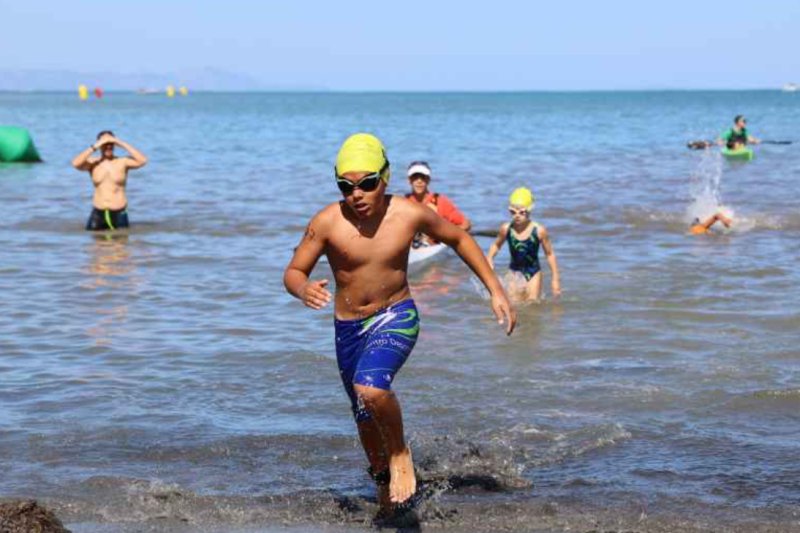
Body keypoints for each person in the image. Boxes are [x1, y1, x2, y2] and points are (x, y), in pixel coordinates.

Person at [283, 134, 515, 516]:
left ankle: (400, 452)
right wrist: (302, 288)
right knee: (363, 415)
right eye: (346, 186)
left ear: (386, 177)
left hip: (396, 315)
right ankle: (384, 491)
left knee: (370, 387)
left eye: (367, 183)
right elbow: (293, 270)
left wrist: (496, 290)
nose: (357, 194)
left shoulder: (408, 214)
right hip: (348, 330)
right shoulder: (326, 222)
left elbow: (459, 238)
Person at [486, 187, 561, 302]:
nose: (517, 215)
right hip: (514, 272)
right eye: (513, 212)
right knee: (513, 303)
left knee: (532, 305)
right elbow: (496, 245)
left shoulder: (539, 230)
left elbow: (550, 254)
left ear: (529, 211)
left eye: (522, 212)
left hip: (534, 274)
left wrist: (555, 279)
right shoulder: (506, 229)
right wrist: (490, 258)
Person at [71, 131, 148, 231]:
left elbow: (143, 160)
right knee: (94, 240)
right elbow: (75, 163)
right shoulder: (93, 163)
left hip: (119, 212)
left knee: (121, 239)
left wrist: (120, 142)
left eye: (111, 143)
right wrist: (96, 145)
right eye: (105, 144)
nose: (108, 146)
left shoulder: (123, 162)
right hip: (98, 213)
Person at [405, 161, 471, 246]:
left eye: (423, 177)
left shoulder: (440, 201)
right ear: (409, 180)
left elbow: (466, 224)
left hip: (432, 246)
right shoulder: (403, 202)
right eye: (415, 177)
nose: (419, 181)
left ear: (428, 180)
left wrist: (445, 235)